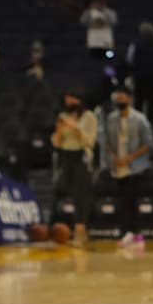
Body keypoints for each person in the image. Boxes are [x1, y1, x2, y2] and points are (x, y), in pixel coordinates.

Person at [101, 84, 153, 250]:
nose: (119, 100)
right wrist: (114, 158)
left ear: (130, 99)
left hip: (135, 166)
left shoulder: (139, 119)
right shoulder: (111, 119)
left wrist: (130, 157)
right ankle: (126, 232)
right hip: (118, 166)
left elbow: (148, 144)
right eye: (118, 98)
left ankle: (135, 234)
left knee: (133, 200)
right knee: (123, 200)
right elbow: (107, 142)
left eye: (123, 97)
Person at [51, 88, 98, 245]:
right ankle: (72, 229)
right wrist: (59, 130)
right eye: (67, 100)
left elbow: (89, 141)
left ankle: (80, 231)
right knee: (68, 192)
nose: (69, 102)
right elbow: (57, 142)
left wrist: (74, 127)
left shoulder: (89, 117)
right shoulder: (62, 117)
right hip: (66, 155)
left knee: (81, 194)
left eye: (72, 99)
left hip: (81, 156)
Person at [80, 0, 118, 66]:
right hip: (94, 43)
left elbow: (114, 22)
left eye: (100, 2)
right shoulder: (88, 13)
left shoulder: (110, 12)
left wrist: (105, 17)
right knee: (94, 63)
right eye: (96, 2)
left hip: (106, 42)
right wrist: (90, 14)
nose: (98, 4)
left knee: (108, 62)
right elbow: (82, 22)